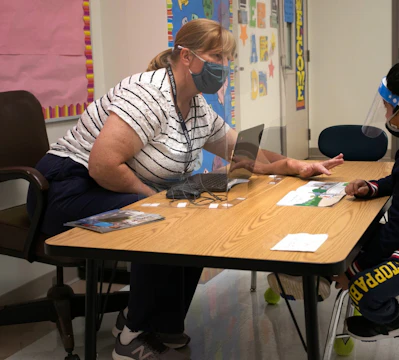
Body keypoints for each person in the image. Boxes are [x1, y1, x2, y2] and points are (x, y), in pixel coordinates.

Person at [26, 19, 343, 360]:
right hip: (64, 189)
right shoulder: (147, 94)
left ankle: (161, 324)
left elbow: (241, 151)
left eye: (228, 58)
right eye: (217, 56)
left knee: (194, 215)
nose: (224, 66)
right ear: (187, 56)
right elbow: (103, 165)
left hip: (106, 186)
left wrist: (290, 165)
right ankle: (132, 336)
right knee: (161, 218)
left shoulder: (196, 105)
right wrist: (154, 200)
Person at [267, 59, 399, 341]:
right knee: (355, 235)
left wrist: (355, 271)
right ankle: (320, 275)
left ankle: (394, 319)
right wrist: (373, 186)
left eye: (387, 108)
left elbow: (397, 230)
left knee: (362, 289)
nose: (385, 113)